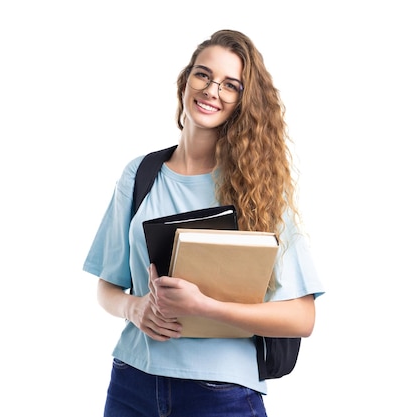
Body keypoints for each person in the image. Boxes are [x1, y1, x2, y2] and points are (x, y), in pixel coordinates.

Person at [83, 29, 325, 417]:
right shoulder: (141, 174)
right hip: (133, 381)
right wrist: (134, 308)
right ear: (185, 81)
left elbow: (301, 317)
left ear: (243, 104)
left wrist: (206, 307)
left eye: (230, 85)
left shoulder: (257, 189)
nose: (212, 90)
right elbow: (107, 286)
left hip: (220, 393)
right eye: (203, 75)